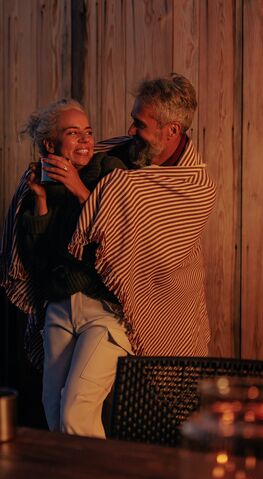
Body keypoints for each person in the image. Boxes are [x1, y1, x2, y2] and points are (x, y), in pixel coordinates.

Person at [1, 98, 130, 438]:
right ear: (50, 144)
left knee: (77, 410)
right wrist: (41, 201)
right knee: (55, 413)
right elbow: (35, 264)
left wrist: (77, 188)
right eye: (74, 133)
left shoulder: (109, 171)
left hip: (102, 311)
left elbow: (122, 233)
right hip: (58, 309)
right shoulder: (40, 187)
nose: (86, 140)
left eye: (88, 132)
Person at [70, 73, 217, 359]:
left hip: (166, 305)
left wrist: (85, 193)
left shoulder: (196, 186)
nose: (130, 130)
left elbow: (151, 249)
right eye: (133, 119)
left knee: (154, 398)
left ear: (172, 130)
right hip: (96, 306)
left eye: (140, 124)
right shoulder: (123, 152)